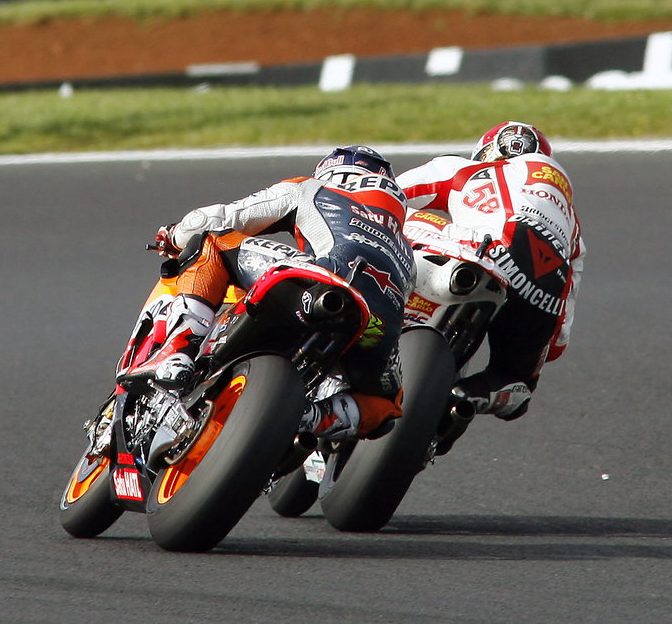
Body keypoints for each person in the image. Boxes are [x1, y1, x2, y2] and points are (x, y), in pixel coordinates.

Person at [129, 145, 413, 443]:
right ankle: (312, 416)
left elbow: (215, 219)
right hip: (377, 325)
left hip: (318, 282)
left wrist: (174, 235)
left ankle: (177, 353)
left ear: (332, 172)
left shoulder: (311, 188)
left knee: (210, 240)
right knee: (387, 405)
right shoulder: (405, 249)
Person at [396, 121, 585, 421]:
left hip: (480, 250)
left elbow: (388, 194)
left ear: (486, 151)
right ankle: (470, 397)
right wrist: (543, 342)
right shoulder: (572, 226)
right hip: (546, 289)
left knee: (379, 215)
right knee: (516, 386)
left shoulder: (461, 168)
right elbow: (561, 331)